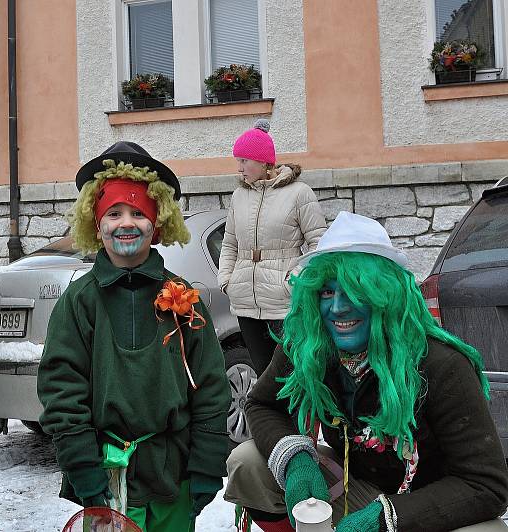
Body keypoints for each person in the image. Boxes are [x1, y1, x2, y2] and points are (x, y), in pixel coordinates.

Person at [224, 211, 508, 531]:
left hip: (426, 509)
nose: (338, 307)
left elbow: (487, 485)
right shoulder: (308, 347)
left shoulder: (441, 364)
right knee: (248, 461)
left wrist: (388, 518)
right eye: (327, 292)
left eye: (356, 290)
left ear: (387, 296)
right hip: (352, 490)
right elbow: (262, 404)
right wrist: (296, 461)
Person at [37, 141, 231, 532]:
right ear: (97, 224)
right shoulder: (80, 301)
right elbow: (62, 390)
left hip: (172, 474)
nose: (126, 223)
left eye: (139, 213)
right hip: (105, 478)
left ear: (157, 223)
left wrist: (208, 463)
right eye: (114, 213)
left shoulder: (184, 300)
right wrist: (83, 470)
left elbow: (210, 384)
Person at [218, 118, 326, 376]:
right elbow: (230, 242)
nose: (239, 167)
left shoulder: (299, 193)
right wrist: (226, 280)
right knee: (263, 375)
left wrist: (295, 280)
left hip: (283, 302)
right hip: (245, 302)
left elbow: (319, 244)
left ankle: (297, 418)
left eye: (244, 160)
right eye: (238, 161)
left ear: (263, 161)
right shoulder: (238, 196)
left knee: (292, 376)